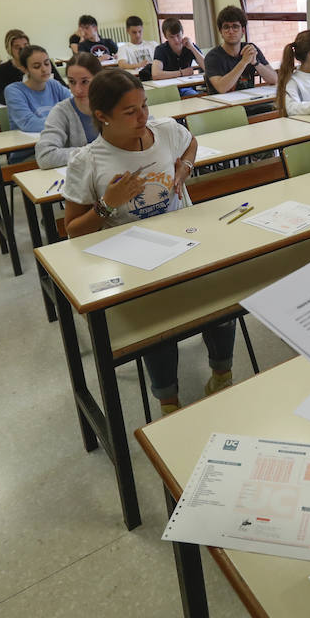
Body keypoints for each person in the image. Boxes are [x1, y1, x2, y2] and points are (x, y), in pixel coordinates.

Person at [61, 70, 231, 414]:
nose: (144, 117)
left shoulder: (166, 131)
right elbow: (73, 231)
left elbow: (191, 143)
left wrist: (184, 167)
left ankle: (222, 375)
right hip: (133, 259)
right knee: (158, 325)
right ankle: (168, 401)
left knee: (222, 303)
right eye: (130, 111)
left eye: (145, 105)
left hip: (185, 241)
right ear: (102, 116)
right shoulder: (88, 161)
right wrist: (108, 203)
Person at [36, 52, 101, 168]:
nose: (77, 90)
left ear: (99, 79)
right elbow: (45, 156)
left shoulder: (113, 105)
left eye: (85, 82)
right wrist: (95, 152)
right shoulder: (61, 111)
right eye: (72, 82)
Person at [204, 5, 278, 96]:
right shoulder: (212, 57)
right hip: (223, 106)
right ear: (221, 32)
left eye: (235, 27)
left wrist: (255, 63)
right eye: (226, 27)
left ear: (243, 30)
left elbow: (274, 79)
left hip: (249, 101)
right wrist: (243, 62)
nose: (231, 31)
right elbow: (221, 88)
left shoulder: (250, 49)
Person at [4, 45, 71, 133]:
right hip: (27, 143)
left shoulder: (54, 85)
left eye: (47, 64)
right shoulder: (14, 91)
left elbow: (74, 109)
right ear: (25, 69)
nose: (44, 69)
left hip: (57, 137)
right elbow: (28, 123)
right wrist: (64, 122)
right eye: (36, 66)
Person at [0, 29, 64, 101]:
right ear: (9, 49)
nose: (23, 50)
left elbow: (62, 86)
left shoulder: (44, 62)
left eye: (26, 45)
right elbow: (0, 97)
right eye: (18, 48)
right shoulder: (1, 70)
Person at [148, 18, 207, 91]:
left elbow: (207, 67)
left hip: (188, 86)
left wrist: (192, 47)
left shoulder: (189, 46)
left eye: (178, 35)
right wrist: (181, 73)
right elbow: (155, 74)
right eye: (171, 37)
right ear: (166, 37)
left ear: (182, 32)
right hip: (170, 89)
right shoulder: (161, 49)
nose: (176, 40)